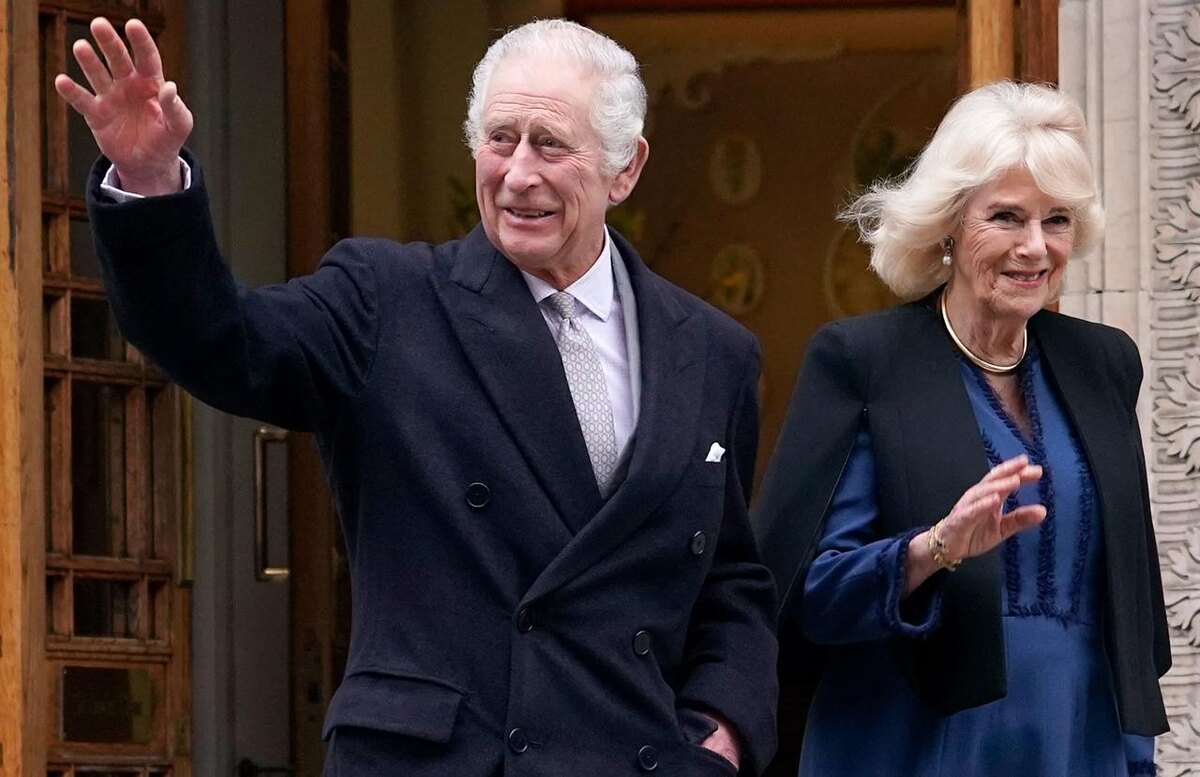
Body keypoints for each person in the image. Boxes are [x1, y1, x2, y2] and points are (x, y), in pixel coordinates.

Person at [56, 16, 779, 776]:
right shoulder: (388, 300)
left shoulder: (713, 352)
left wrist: (722, 731)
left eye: (550, 145)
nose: (518, 174)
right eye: (500, 139)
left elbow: (730, 580)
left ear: (624, 168)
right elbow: (220, 340)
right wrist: (150, 183)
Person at [753, 81, 1170, 776]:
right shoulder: (865, 362)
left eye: (1057, 220)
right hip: (915, 745)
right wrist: (934, 547)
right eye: (1006, 217)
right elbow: (808, 597)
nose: (1035, 247)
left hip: (1076, 740)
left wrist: (1136, 759)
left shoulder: (1103, 365)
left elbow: (1127, 598)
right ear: (948, 223)